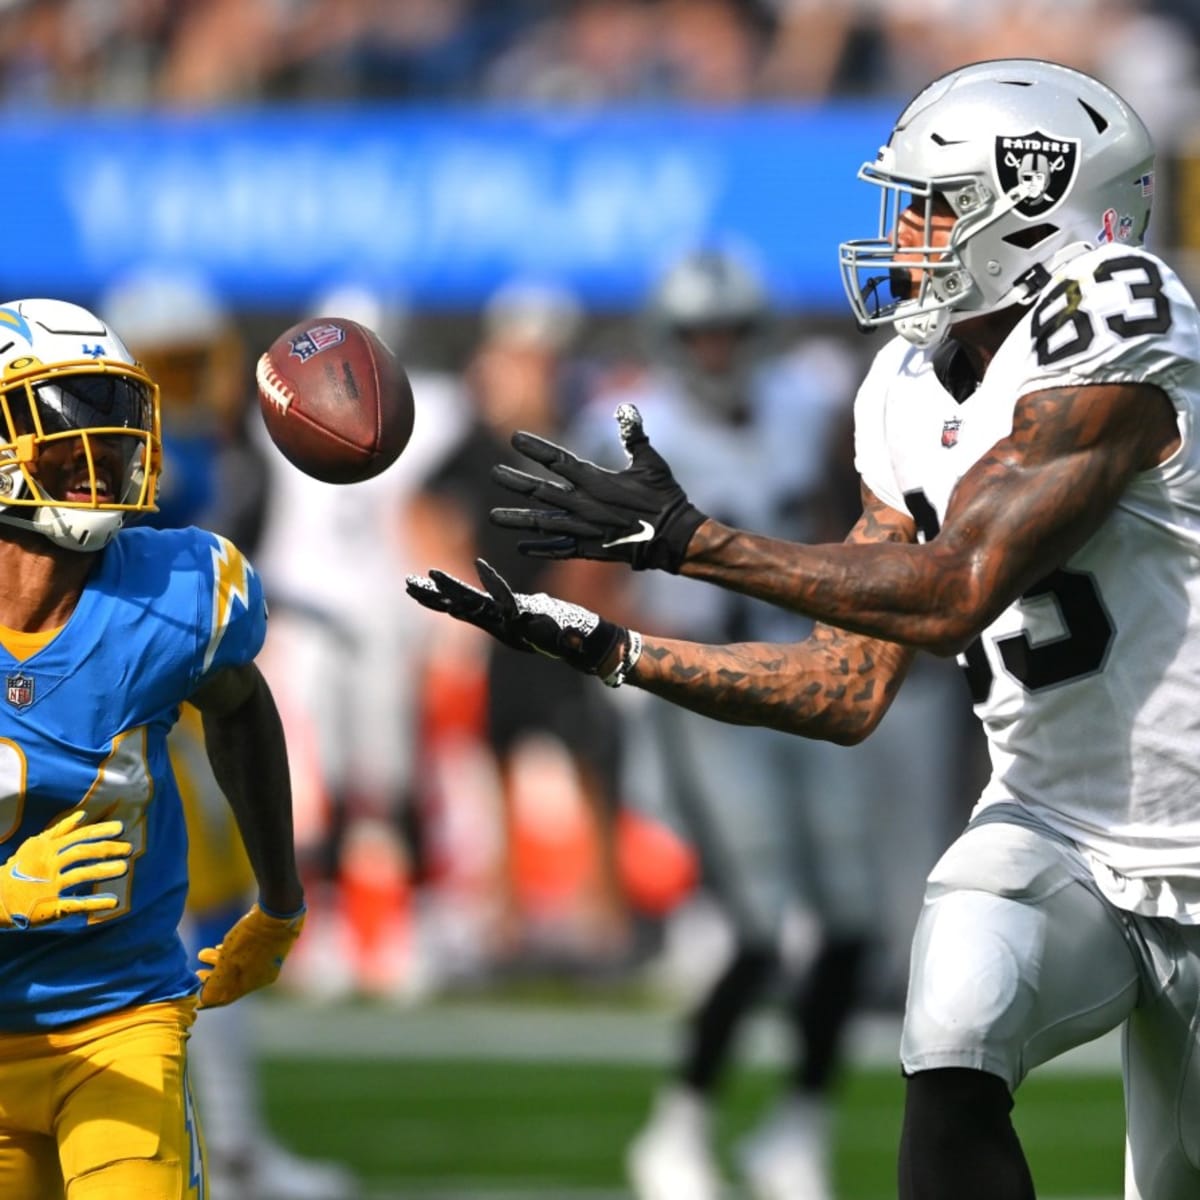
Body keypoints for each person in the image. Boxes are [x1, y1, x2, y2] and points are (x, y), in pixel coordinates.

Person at [408, 57, 1200, 1199]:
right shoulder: (901, 390)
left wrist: (693, 541)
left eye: (937, 206)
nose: (909, 233)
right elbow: (847, 688)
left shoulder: (1122, 311)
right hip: (1055, 825)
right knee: (952, 1033)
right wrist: (617, 650)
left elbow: (960, 583)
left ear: (1036, 214)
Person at [574, 247, 877, 1200]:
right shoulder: (628, 424)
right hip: (705, 690)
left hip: (802, 679)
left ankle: (795, 1128)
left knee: (854, 924)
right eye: (698, 332)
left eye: (731, 330)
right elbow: (583, 581)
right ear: (668, 339)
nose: (714, 349)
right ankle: (679, 1126)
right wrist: (671, 653)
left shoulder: (804, 405)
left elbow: (836, 531)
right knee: (760, 926)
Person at [0, 296, 306, 1198]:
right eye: (61, 429)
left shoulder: (178, 593)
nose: (97, 451)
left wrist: (279, 901)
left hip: (118, 1019)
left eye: (110, 418)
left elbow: (242, 707)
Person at [101, 268, 359, 1200]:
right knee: (166, 925)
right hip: (121, 716)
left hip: (164, 703)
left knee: (199, 919)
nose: (184, 383)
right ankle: (231, 1148)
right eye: (163, 365)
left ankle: (236, 1145)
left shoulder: (212, 453)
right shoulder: (141, 460)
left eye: (190, 362)